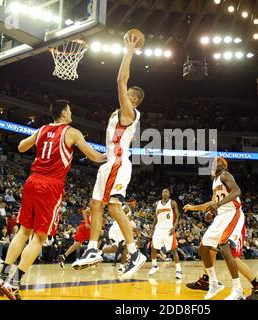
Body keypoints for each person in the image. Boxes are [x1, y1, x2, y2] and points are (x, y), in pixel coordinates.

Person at [0, 100, 106, 300]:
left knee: (23, 231)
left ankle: (1, 277)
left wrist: (35, 141)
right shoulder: (71, 132)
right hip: (50, 185)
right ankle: (14, 283)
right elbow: (94, 157)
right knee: (40, 237)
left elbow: (20, 147)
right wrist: (112, 156)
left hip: (31, 181)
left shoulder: (42, 129)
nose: (71, 112)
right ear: (63, 112)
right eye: (69, 109)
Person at [72, 33, 147, 278]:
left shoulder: (130, 113)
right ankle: (93, 249)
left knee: (114, 207)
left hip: (119, 163)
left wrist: (129, 51)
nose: (126, 97)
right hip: (109, 162)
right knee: (95, 205)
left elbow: (120, 80)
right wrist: (97, 157)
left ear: (134, 100)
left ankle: (135, 252)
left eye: (130, 96)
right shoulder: (116, 115)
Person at [183, 157, 244, 300]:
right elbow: (212, 202)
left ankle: (238, 290)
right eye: (214, 162)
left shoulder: (225, 175)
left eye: (219, 161)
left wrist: (217, 205)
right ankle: (214, 282)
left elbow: (237, 191)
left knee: (224, 248)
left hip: (232, 213)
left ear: (224, 166)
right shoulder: (215, 182)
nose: (216, 162)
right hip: (221, 217)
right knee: (203, 248)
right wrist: (195, 208)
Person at [147, 189, 182, 279]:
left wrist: (174, 227)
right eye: (163, 192)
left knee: (174, 250)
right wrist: (151, 231)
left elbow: (177, 215)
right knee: (153, 247)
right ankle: (154, 265)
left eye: (166, 192)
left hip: (168, 229)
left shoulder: (172, 203)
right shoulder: (157, 204)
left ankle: (178, 270)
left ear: (169, 194)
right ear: (161, 194)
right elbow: (155, 218)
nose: (164, 193)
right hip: (158, 229)